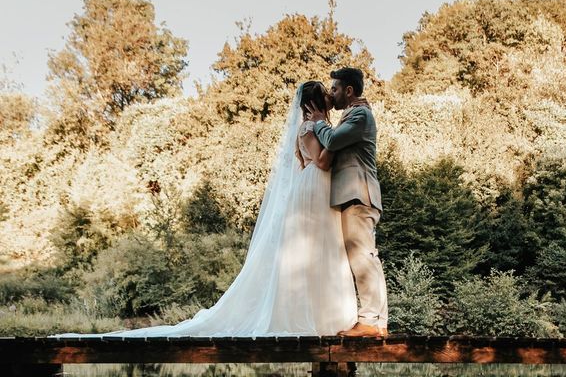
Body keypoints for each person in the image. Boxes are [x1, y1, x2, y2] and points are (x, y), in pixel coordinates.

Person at [51, 81, 357, 338]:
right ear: (315, 102)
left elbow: (303, 163)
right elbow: (320, 161)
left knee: (320, 248)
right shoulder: (310, 126)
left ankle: (321, 313)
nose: (331, 98)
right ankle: (316, 317)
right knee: (317, 247)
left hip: (311, 187)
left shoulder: (307, 127)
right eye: (326, 95)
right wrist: (328, 136)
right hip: (314, 185)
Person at [305, 67, 388, 337]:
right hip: (354, 195)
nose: (332, 93)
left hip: (358, 194)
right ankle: (378, 322)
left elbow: (332, 139)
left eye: (336, 89)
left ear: (349, 91)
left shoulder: (360, 115)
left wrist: (318, 121)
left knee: (363, 258)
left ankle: (369, 322)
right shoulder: (355, 113)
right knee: (367, 257)